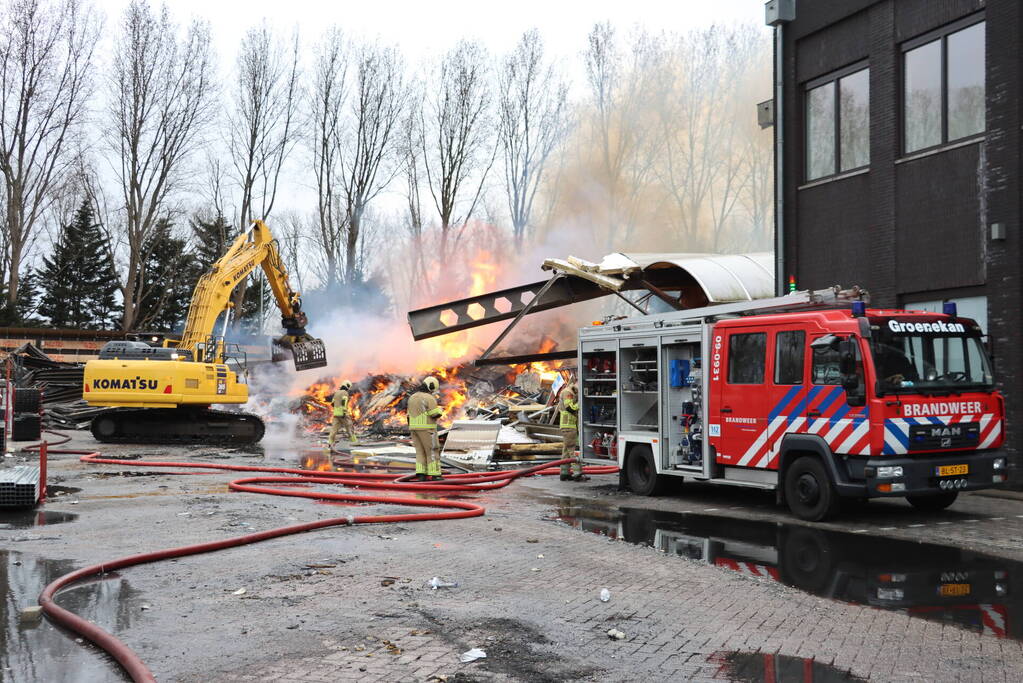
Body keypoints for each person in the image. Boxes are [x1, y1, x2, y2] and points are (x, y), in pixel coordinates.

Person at [407, 376, 444, 481]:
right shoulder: (429, 398)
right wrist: (440, 410)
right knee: (432, 450)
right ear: (431, 387)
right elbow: (434, 414)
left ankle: (421, 474)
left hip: (413, 428)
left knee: (420, 451)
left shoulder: (412, 397)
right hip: (427, 428)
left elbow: (408, 415)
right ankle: (435, 474)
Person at [558, 385, 588, 482]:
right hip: (569, 426)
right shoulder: (568, 393)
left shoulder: (571, 392)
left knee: (566, 451)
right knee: (573, 450)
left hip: (568, 426)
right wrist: (581, 403)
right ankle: (577, 474)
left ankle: (564, 473)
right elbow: (570, 408)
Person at [327, 380, 359, 449]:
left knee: (334, 429)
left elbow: (332, 403)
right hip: (343, 414)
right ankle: (354, 442)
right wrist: (344, 412)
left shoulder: (336, 393)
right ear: (347, 386)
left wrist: (337, 407)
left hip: (336, 414)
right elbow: (344, 402)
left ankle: (330, 443)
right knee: (349, 427)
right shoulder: (345, 393)